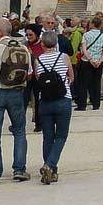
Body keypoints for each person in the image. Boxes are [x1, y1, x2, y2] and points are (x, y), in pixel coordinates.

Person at [0, 17, 32, 184]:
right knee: (19, 131)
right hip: (16, 92)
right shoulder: (23, 48)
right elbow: (30, 73)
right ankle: (19, 169)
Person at [34, 32, 73, 183]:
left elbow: (39, 79)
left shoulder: (38, 61)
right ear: (56, 43)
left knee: (47, 137)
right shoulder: (64, 57)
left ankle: (51, 171)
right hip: (63, 100)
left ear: (42, 44)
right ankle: (49, 165)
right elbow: (71, 76)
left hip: (45, 101)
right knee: (61, 136)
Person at [75, 15, 103, 111]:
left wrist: (90, 59)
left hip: (86, 61)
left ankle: (82, 105)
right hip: (98, 62)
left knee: (83, 84)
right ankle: (96, 104)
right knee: (96, 83)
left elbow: (84, 49)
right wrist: (100, 61)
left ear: (92, 24)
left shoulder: (86, 35)